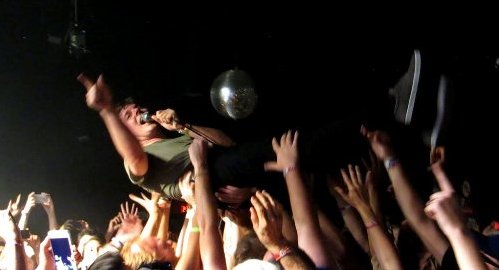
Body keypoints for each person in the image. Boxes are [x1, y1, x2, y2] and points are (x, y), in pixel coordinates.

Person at [78, 73, 276, 203]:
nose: (138, 110)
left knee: (281, 150)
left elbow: (228, 144)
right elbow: (135, 157)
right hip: (231, 186)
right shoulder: (138, 159)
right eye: (129, 116)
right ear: (124, 132)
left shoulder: (177, 136)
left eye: (137, 107)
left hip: (249, 174)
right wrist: (107, 111)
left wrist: (183, 126)